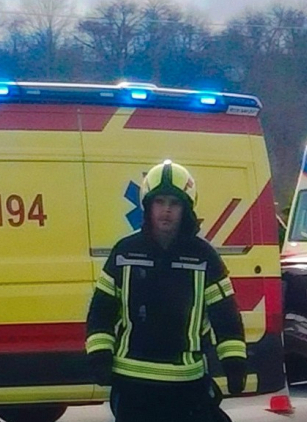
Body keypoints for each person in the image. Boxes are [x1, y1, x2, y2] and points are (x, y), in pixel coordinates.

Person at [86, 160, 247, 422]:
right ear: (148, 206)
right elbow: (100, 313)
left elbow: (226, 318)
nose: (166, 210)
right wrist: (99, 356)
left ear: (186, 208)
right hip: (132, 388)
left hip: (187, 386)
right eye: (159, 202)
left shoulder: (204, 257)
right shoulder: (124, 253)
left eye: (174, 203)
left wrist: (234, 364)